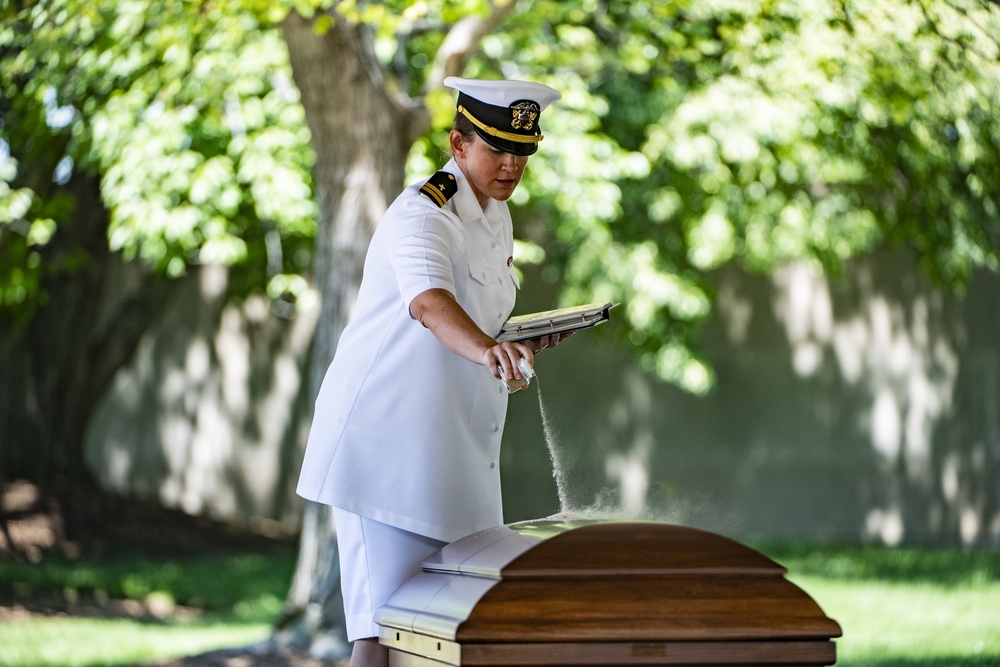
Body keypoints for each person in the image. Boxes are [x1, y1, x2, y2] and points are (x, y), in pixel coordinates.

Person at [296, 76, 567, 667]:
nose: (511, 164)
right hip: (385, 454)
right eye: (497, 148)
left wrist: (514, 341)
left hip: (453, 453)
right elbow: (429, 303)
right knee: (381, 634)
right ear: (458, 143)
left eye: (522, 152)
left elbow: (476, 320)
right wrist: (488, 351)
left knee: (449, 630)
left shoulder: (495, 216)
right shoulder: (424, 211)